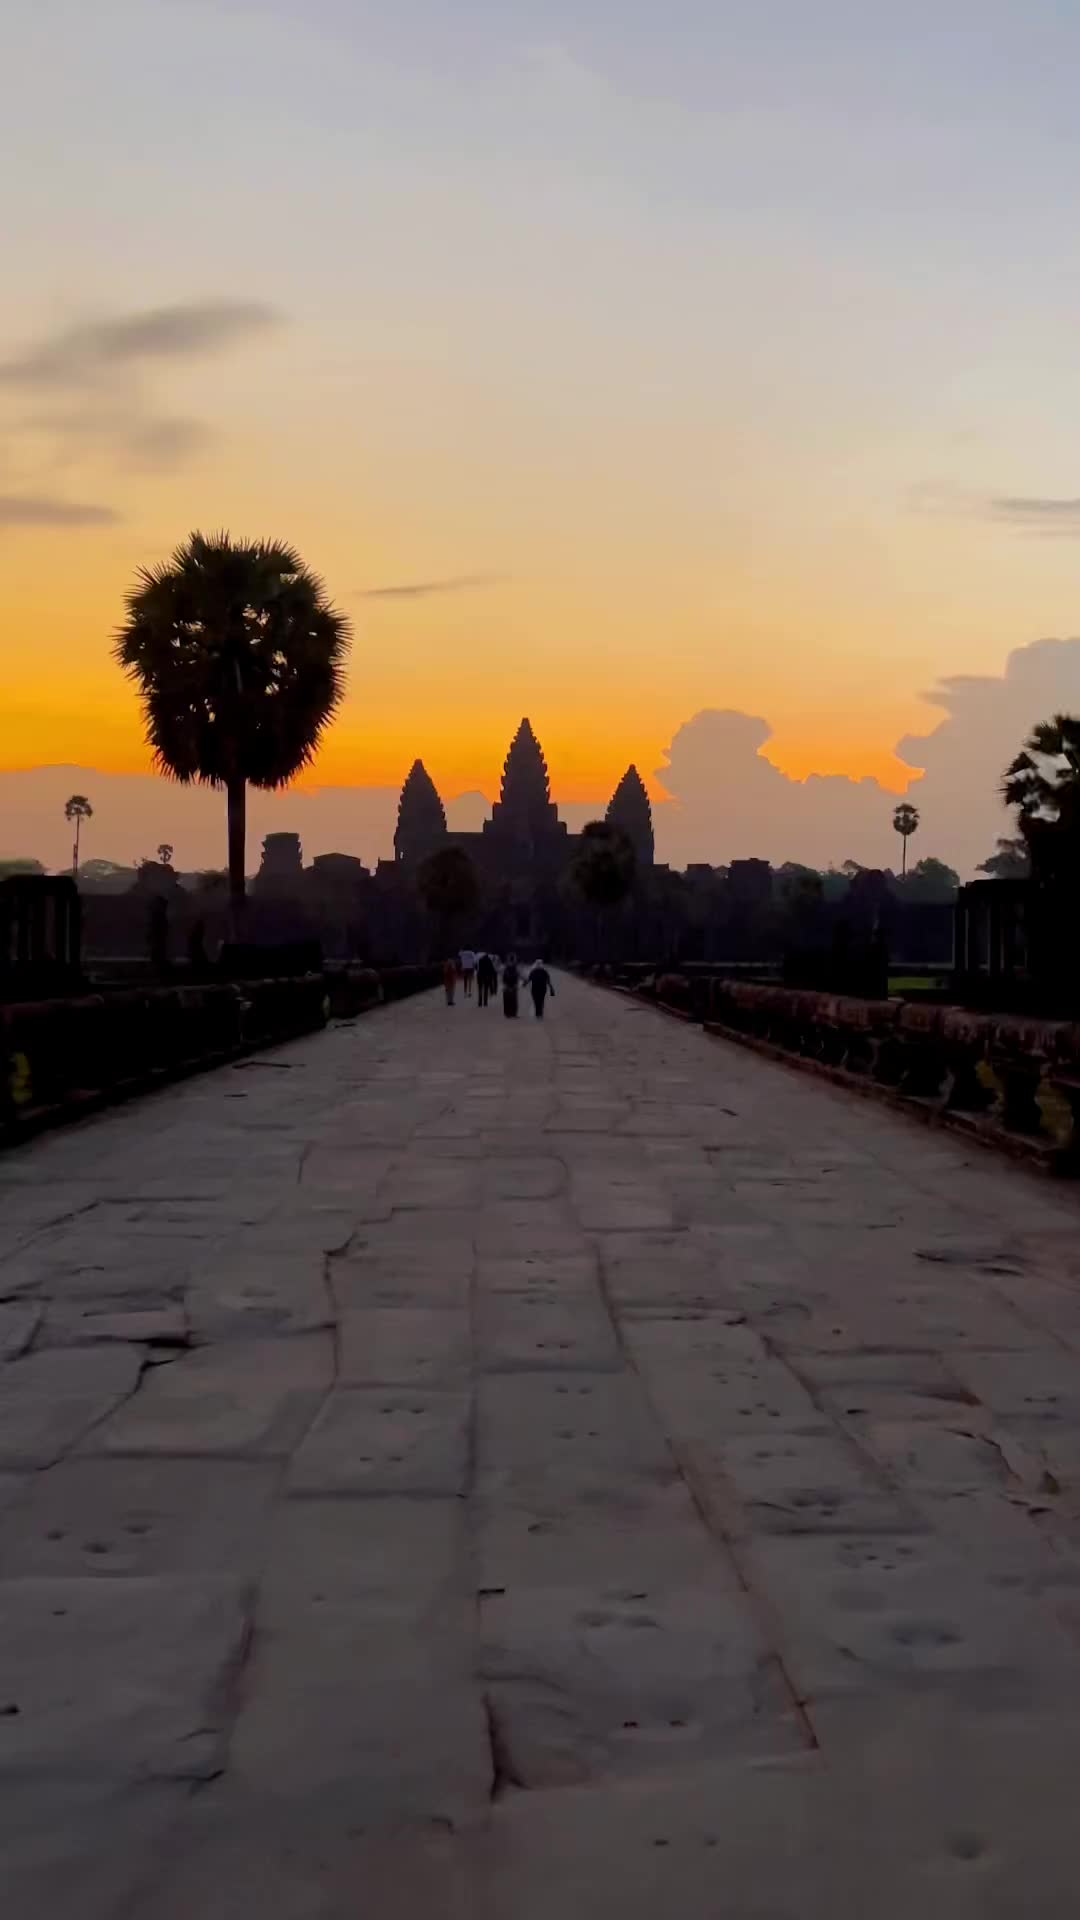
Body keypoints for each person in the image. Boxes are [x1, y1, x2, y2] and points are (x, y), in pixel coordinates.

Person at [502, 952, 521, 1019]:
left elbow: (504, 976)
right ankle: (513, 1014)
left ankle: (507, 1014)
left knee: (507, 1000)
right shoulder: (514, 967)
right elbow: (517, 975)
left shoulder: (506, 966)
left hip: (507, 985)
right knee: (513, 1000)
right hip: (513, 985)